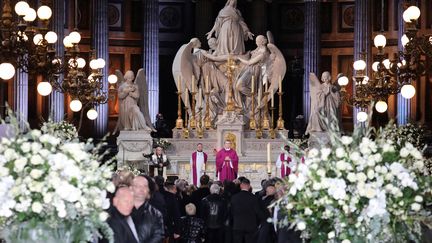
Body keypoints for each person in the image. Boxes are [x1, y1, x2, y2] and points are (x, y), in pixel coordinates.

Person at [131, 175, 165, 243]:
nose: (141, 189)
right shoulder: (122, 210)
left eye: (144, 186)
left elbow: (158, 236)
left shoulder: (156, 213)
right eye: (138, 186)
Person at [230, 177, 265, 243]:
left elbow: (231, 212)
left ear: (241, 186)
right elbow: (258, 212)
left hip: (238, 225)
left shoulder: (234, 197)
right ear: (249, 186)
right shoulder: (254, 198)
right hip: (251, 226)